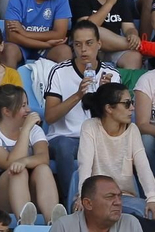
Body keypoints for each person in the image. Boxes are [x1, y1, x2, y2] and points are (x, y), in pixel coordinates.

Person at [43, 23, 122, 202]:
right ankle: (71, 202)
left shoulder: (112, 74)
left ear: (99, 44)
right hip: (65, 138)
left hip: (98, 137)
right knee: (63, 146)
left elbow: (117, 122)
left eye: (89, 43)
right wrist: (78, 95)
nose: (83, 49)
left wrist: (105, 96)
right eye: (78, 44)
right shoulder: (58, 72)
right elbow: (50, 116)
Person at [0, 84, 64, 227]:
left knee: (42, 169)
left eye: (27, 104)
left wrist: (25, 161)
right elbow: (9, 163)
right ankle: (24, 222)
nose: (28, 110)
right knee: (17, 171)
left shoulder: (35, 130)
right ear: (6, 111)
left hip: (32, 192)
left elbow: (44, 158)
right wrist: (25, 131)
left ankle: (52, 221)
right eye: (23, 106)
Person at [76, 82, 155, 218]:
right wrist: (82, 195)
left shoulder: (132, 130)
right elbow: (85, 165)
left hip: (124, 197)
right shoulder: (90, 127)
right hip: (97, 197)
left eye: (132, 102)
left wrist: (153, 198)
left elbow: (143, 167)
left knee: (151, 213)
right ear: (109, 108)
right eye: (127, 103)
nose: (132, 108)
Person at [2, 0, 72, 64]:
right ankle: (9, 81)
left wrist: (24, 32)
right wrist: (46, 44)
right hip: (21, 45)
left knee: (65, 52)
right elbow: (12, 36)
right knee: (9, 50)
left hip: (45, 47)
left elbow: (60, 34)